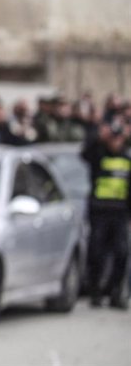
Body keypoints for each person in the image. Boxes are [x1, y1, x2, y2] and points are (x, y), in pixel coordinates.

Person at [81, 122, 131, 310]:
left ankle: (115, 292)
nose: (116, 142)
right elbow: (84, 154)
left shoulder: (127, 158)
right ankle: (96, 291)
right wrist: (99, 137)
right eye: (113, 138)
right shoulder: (98, 155)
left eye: (119, 138)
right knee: (97, 253)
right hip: (100, 211)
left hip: (120, 213)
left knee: (121, 253)